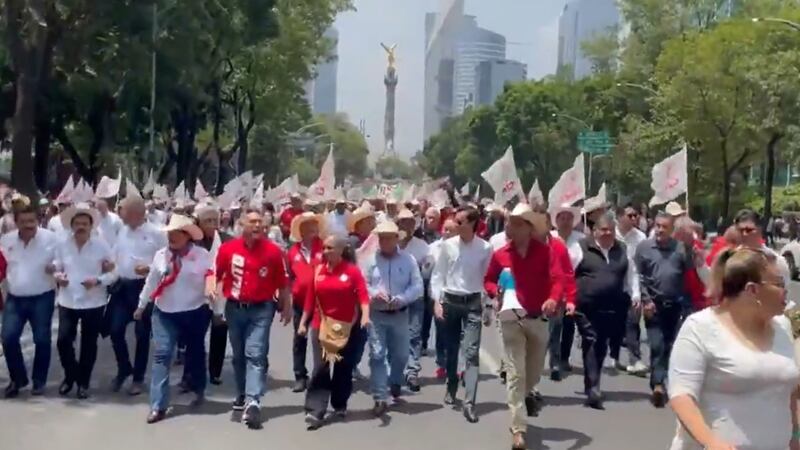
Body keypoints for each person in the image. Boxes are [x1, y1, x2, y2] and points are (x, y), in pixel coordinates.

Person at [668, 246, 800, 450]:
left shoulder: (783, 326)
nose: (786, 292)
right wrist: (712, 442)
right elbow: (682, 397)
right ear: (752, 290)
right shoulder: (700, 327)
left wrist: (795, 435)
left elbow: (785, 390)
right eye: (779, 284)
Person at [484, 204, 566, 450]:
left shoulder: (545, 252)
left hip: (538, 318)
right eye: (510, 223)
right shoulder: (501, 254)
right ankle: (518, 429)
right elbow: (488, 280)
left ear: (529, 228)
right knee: (516, 374)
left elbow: (558, 279)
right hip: (510, 319)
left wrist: (553, 299)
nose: (511, 227)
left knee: (533, 373)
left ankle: (526, 395)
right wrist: (494, 292)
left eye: (517, 224)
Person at [215, 208, 292, 429]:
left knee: (255, 354)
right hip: (235, 308)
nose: (258, 225)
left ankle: (253, 401)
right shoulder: (228, 249)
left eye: (260, 222)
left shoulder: (273, 251)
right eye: (253, 221)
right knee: (239, 356)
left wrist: (286, 306)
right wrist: (213, 296)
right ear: (242, 225)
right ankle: (242, 393)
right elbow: (216, 274)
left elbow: (282, 282)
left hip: (262, 309)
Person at [136, 215, 216, 424]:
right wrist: (141, 305)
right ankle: (158, 405)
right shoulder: (160, 256)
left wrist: (215, 304)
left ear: (187, 236)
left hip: (194, 311)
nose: (172, 237)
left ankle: (198, 387)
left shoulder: (201, 255)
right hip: (164, 312)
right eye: (170, 233)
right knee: (162, 355)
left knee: (195, 352)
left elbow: (211, 276)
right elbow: (151, 281)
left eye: (177, 233)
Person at [298, 235, 370, 430]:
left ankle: (339, 403)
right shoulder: (318, 271)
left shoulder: (352, 271)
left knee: (343, 366)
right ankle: (315, 409)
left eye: (330, 248)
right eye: (324, 248)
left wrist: (365, 316)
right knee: (320, 366)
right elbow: (309, 300)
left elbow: (363, 296)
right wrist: (303, 323)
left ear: (340, 250)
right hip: (320, 325)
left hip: (345, 327)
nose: (326, 251)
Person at [431, 205, 493, 423]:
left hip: (473, 303)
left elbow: (487, 279)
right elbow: (438, 275)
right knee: (452, 349)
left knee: (472, 352)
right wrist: (437, 301)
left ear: (472, 223)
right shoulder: (448, 246)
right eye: (455, 221)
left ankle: (469, 402)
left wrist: (488, 306)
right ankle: (452, 383)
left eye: (460, 222)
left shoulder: (485, 248)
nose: (455, 225)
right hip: (451, 301)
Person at [572, 215, 636, 409]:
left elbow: (631, 274)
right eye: (603, 229)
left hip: (612, 306)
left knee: (600, 344)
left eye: (610, 229)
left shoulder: (622, 249)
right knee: (591, 339)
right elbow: (568, 273)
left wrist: (635, 295)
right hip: (585, 306)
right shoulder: (581, 248)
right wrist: (568, 299)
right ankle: (593, 388)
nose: (607, 233)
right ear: (595, 231)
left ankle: (591, 382)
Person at [53, 203, 116, 399]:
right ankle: (71, 375)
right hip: (68, 299)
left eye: (84, 224)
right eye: (77, 223)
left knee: (89, 344)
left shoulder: (101, 245)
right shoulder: (62, 244)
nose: (81, 227)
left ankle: (83, 382)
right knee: (63, 340)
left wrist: (98, 281)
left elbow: (114, 272)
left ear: (91, 226)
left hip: (93, 301)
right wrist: (58, 276)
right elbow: (57, 266)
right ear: (71, 225)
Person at [109, 195, 168, 396]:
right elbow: (115, 256)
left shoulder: (157, 233)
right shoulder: (121, 231)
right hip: (122, 287)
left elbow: (166, 261)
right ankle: (124, 367)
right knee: (115, 330)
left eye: (122, 209)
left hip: (145, 288)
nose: (119, 213)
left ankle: (138, 378)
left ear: (135, 212)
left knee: (142, 334)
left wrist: (150, 268)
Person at [634, 211, 693, 407]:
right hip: (653, 304)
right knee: (656, 344)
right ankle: (658, 385)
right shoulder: (644, 248)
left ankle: (660, 379)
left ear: (671, 229)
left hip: (674, 305)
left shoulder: (680, 248)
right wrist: (645, 299)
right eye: (657, 226)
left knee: (668, 345)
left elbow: (689, 274)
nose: (660, 230)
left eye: (664, 227)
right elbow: (638, 276)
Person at [365, 220, 423, 416]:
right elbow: (363, 284)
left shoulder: (408, 260)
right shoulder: (370, 260)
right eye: (381, 238)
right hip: (377, 314)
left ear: (396, 239)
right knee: (377, 354)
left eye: (388, 238)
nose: (384, 242)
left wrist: (402, 299)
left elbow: (417, 286)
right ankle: (380, 397)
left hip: (400, 313)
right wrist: (374, 293)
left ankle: (395, 380)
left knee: (401, 354)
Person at [0, 204, 58, 398]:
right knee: (8, 337)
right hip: (15, 298)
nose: (28, 225)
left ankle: (39, 381)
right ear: (16, 223)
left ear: (38, 221)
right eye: (23, 222)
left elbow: (62, 260)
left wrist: (55, 267)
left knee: (41, 339)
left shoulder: (51, 239)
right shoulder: (6, 240)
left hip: (42, 296)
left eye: (32, 221)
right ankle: (18, 379)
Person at [193, 202, 233, 386]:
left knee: (219, 331)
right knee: (195, 335)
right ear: (199, 222)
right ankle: (193, 373)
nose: (211, 224)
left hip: (220, 292)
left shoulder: (228, 240)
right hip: (197, 293)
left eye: (214, 220)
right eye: (207, 220)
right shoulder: (192, 241)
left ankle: (215, 371)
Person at [286, 212, 325, 393]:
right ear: (300, 230)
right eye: (307, 226)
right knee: (299, 338)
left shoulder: (325, 248)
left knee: (322, 340)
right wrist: (287, 298)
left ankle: (321, 375)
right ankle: (300, 376)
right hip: (300, 302)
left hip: (321, 302)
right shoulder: (292, 251)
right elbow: (288, 276)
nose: (311, 229)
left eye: (313, 225)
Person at [396, 208, 431, 392]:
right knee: (394, 335)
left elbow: (428, 267)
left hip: (415, 296)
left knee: (414, 334)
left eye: (410, 222)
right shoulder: (389, 243)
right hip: (394, 297)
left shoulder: (422, 245)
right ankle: (394, 371)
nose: (407, 226)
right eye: (403, 222)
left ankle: (412, 371)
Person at [548, 204, 584, 379]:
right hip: (553, 287)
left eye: (569, 218)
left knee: (569, 324)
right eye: (562, 218)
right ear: (556, 221)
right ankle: (554, 360)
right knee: (554, 326)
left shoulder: (581, 240)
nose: (566, 221)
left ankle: (564, 357)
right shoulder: (550, 238)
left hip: (573, 286)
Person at [615, 204, 648, 376]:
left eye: (636, 215)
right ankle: (613, 355)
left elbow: (637, 268)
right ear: (619, 217)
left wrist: (637, 293)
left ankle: (635, 359)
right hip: (612, 286)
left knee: (633, 322)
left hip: (631, 286)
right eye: (630, 215)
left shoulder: (641, 238)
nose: (634, 218)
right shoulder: (610, 234)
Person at [346, 205, 377, 380]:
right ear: (359, 224)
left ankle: (353, 364)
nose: (372, 224)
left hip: (366, 290)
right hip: (353, 292)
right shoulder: (352, 242)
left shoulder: (373, 240)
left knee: (362, 333)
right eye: (368, 221)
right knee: (355, 332)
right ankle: (349, 364)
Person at [428, 218, 458, 379]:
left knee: (456, 332)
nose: (447, 232)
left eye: (451, 230)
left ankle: (454, 364)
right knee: (441, 331)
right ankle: (441, 363)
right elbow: (427, 271)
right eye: (445, 229)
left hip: (457, 294)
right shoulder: (433, 248)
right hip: (439, 294)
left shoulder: (461, 248)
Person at [417, 207, 441, 358]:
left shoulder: (439, 237)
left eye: (434, 218)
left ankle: (425, 342)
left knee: (430, 312)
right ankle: (418, 341)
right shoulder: (417, 234)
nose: (431, 221)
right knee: (420, 312)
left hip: (433, 278)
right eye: (429, 217)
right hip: (419, 277)